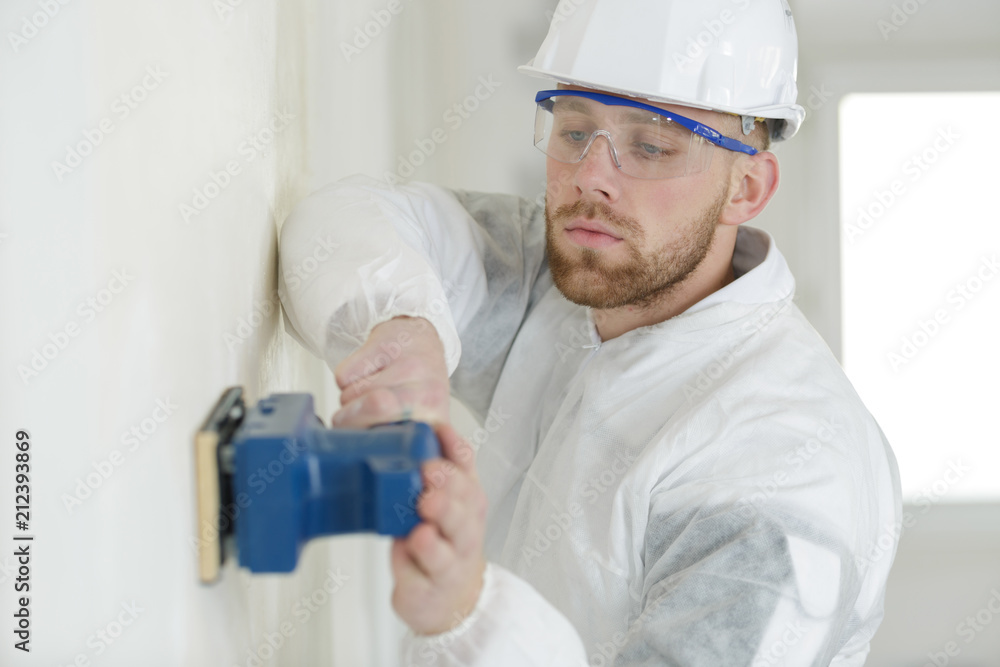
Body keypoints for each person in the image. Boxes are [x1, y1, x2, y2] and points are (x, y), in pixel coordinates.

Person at [278, 0, 902, 664]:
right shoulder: (570, 285)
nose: (590, 178)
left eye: (653, 145)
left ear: (746, 186)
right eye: (575, 130)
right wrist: (406, 325)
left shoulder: (785, 467)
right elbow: (337, 221)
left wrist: (471, 617)